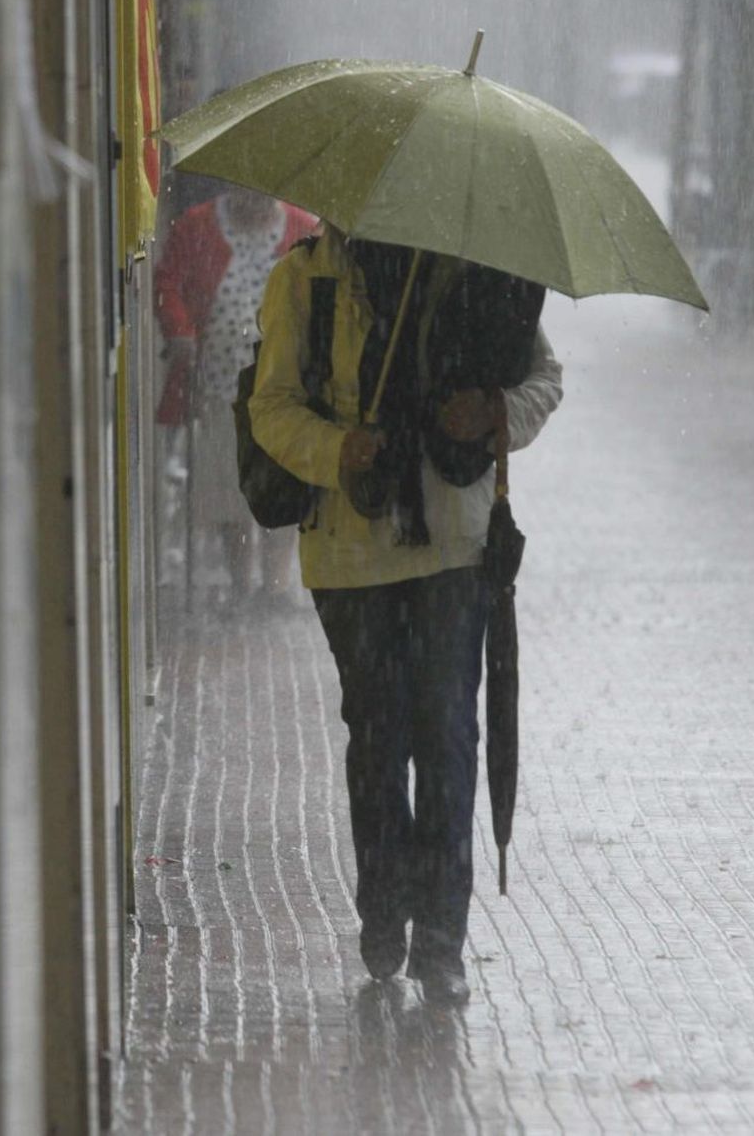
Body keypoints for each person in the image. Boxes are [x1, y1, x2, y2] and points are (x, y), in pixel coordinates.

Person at [248, 224, 563, 1004]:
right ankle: (385, 905)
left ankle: (442, 940)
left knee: (449, 732)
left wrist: (493, 408)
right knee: (379, 734)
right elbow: (272, 405)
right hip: (350, 554)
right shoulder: (306, 281)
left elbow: (543, 378)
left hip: (453, 547)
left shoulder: (473, 271)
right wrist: (338, 448)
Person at [155, 189, 319, 607]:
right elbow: (168, 283)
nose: (257, 202)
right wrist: (180, 333)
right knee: (230, 486)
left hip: (285, 388)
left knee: (280, 480)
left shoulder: (303, 228)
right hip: (219, 385)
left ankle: (277, 585)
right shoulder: (197, 225)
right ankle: (242, 582)